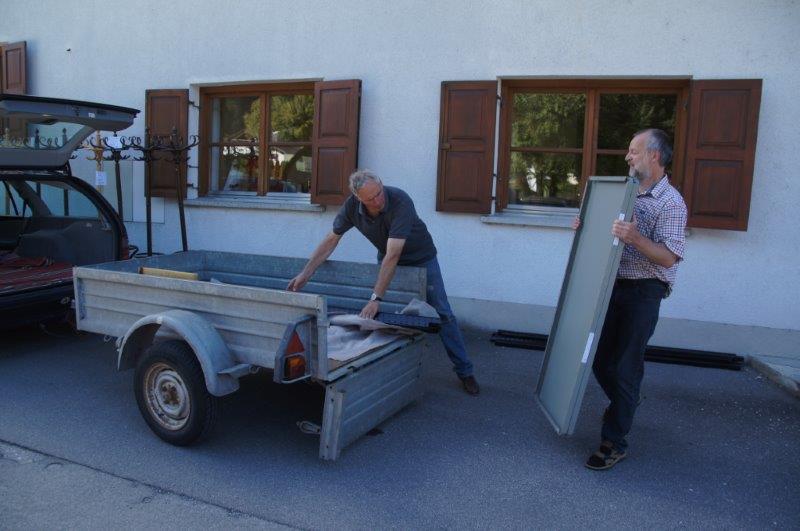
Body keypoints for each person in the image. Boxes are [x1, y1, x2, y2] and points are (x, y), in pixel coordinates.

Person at [287, 169, 480, 395]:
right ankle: (388, 371)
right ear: (358, 198)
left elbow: (394, 254)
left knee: (443, 314)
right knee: (386, 316)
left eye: (379, 193)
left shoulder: (400, 200)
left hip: (421, 259)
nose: (378, 200)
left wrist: (375, 297)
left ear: (381, 184)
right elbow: (331, 239)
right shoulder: (351, 207)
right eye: (370, 199)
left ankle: (465, 371)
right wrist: (306, 273)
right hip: (386, 256)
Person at [576, 129, 687, 470]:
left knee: (625, 367)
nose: (627, 157)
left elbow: (668, 258)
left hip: (644, 292)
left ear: (655, 155)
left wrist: (636, 237)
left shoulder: (672, 203)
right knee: (599, 360)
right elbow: (606, 237)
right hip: (611, 285)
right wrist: (586, 225)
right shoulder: (624, 193)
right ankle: (626, 401)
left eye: (634, 151)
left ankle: (614, 442)